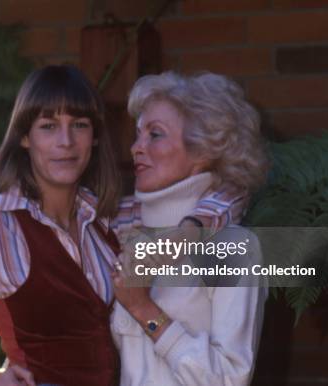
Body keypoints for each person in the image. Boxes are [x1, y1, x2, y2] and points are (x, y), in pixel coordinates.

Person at [0, 65, 246, 386]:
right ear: (24, 138)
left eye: (79, 125)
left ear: (94, 137)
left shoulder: (106, 222)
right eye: (47, 126)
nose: (65, 142)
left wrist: (189, 229)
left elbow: (232, 187)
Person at [110, 71, 269, 386]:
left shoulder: (231, 246)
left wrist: (144, 310)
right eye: (137, 134)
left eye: (155, 134)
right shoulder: (123, 233)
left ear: (204, 152)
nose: (136, 148)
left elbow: (228, 379)